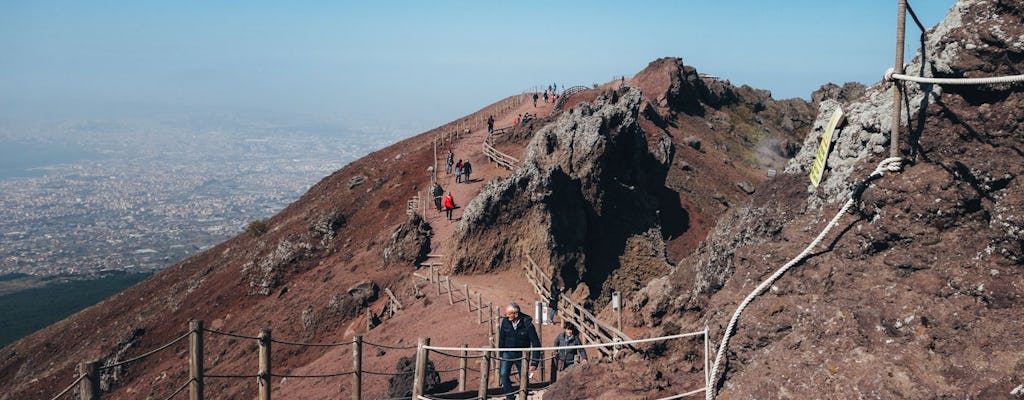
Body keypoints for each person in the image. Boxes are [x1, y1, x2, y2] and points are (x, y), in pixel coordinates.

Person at [498, 303, 541, 400]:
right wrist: (501, 353)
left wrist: (534, 362)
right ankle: (510, 396)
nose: (506, 316)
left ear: (516, 314)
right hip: (507, 352)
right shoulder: (505, 322)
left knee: (523, 376)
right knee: (504, 374)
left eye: (509, 314)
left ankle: (523, 396)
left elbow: (536, 343)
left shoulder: (527, 324)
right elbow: (501, 338)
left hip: (522, 354)